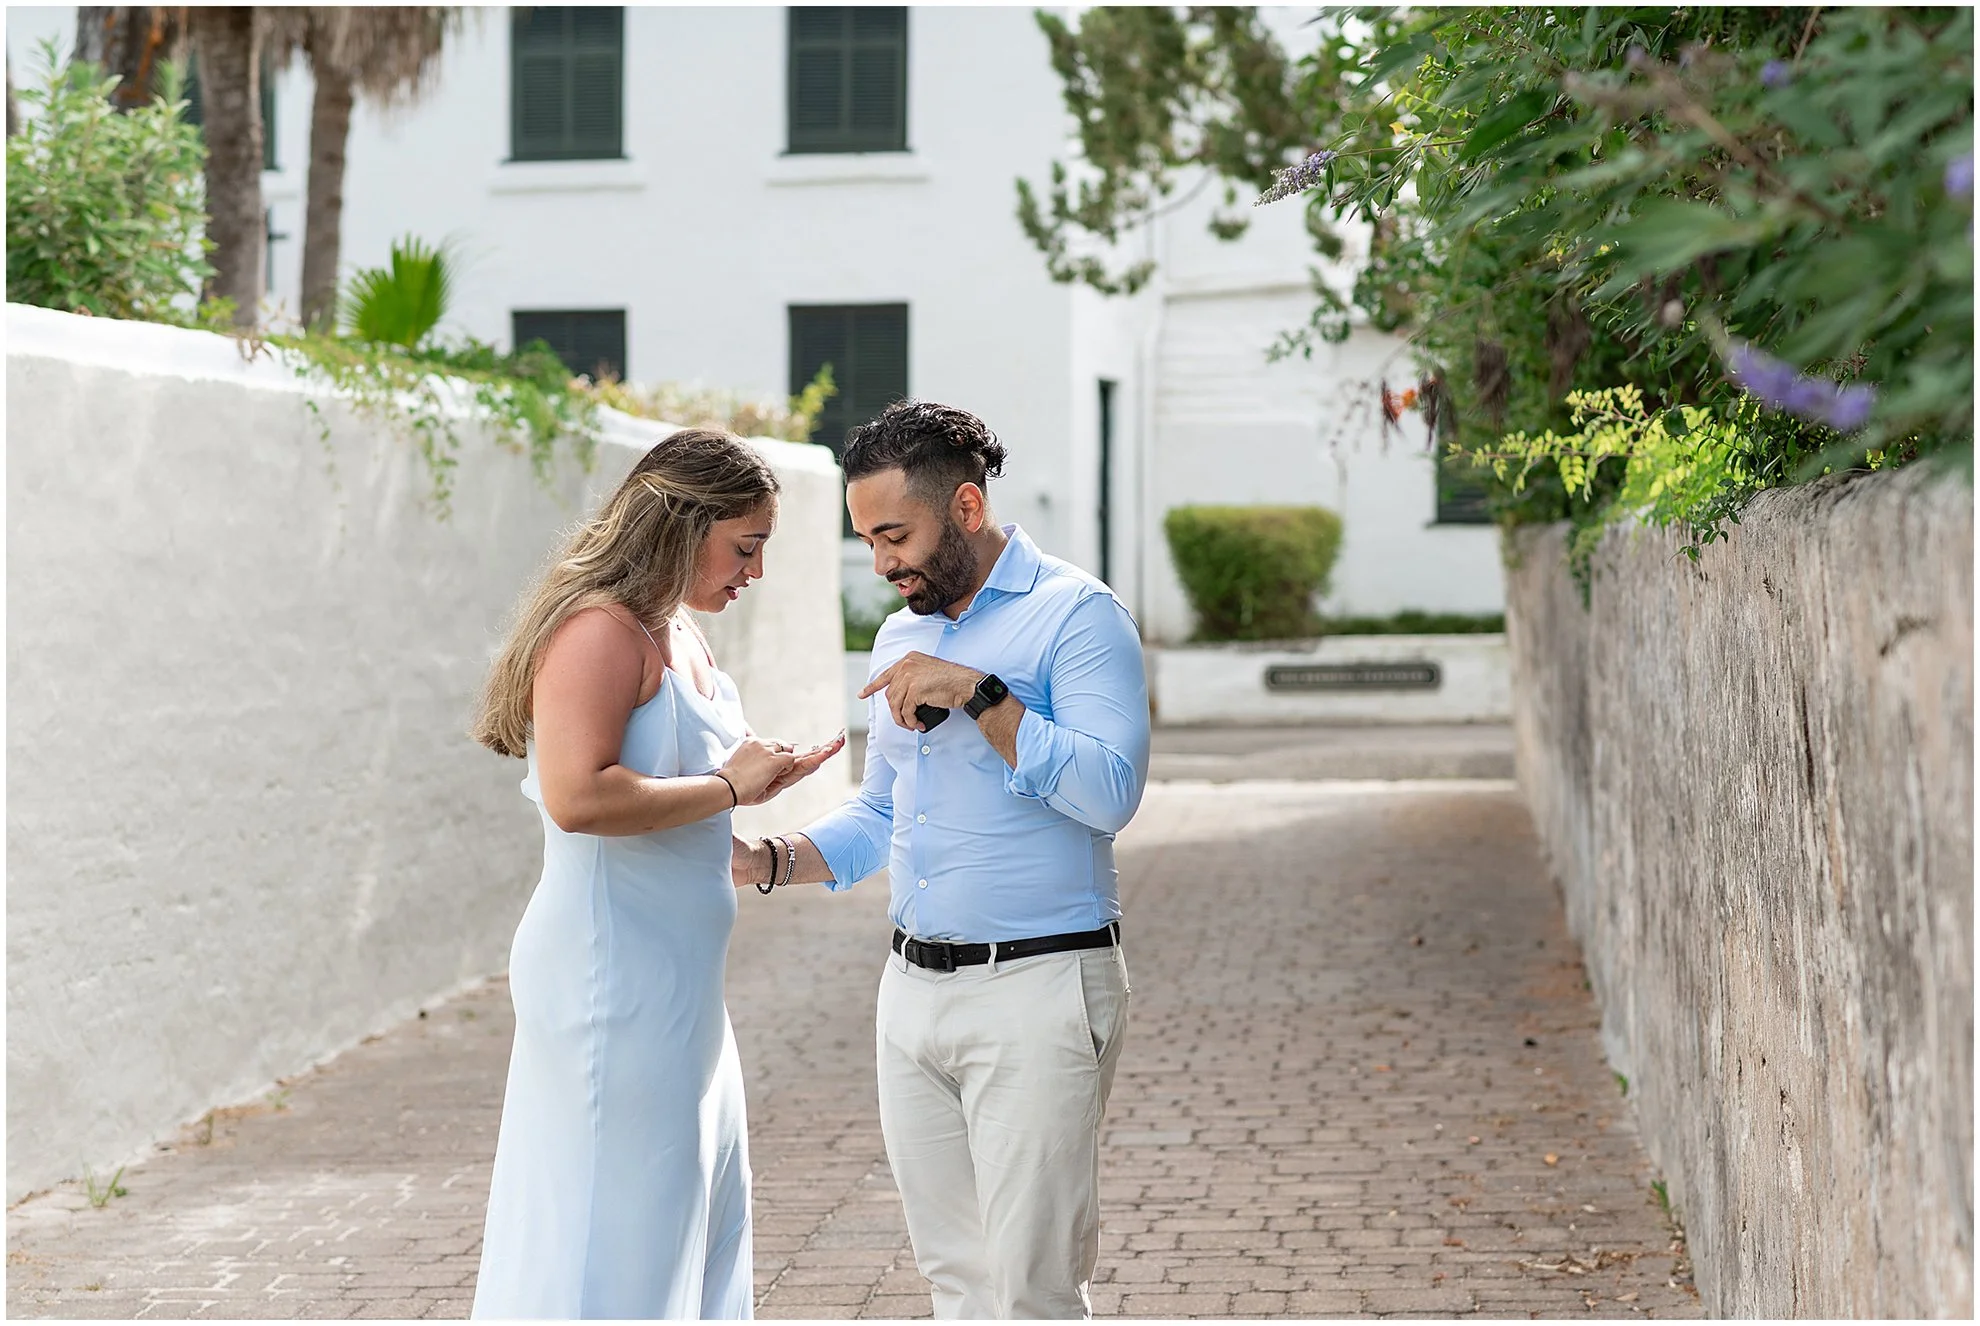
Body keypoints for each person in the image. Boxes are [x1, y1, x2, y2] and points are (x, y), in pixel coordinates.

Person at [736, 400, 1152, 1319]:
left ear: (967, 507)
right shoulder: (901, 634)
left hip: (1040, 987)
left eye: (895, 536)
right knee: (956, 1282)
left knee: (1032, 1288)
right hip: (911, 995)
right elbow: (883, 813)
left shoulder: (1078, 617)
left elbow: (1111, 794)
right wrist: (761, 859)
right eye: (868, 541)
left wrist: (980, 693)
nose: (882, 565)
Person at [467, 428, 844, 1320]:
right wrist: (729, 785)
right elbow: (577, 797)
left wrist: (753, 794)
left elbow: (680, 796)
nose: (755, 571)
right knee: (617, 1234)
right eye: (745, 546)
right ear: (682, 522)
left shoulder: (681, 633)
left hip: (681, 986)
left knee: (692, 1217)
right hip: (611, 979)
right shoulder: (600, 632)